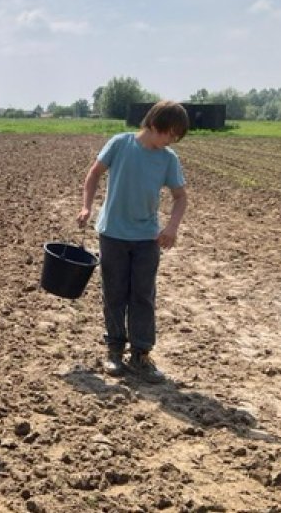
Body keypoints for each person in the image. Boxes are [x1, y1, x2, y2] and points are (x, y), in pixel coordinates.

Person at [76, 100, 189, 384]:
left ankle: (140, 354)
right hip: (112, 234)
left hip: (147, 239)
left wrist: (172, 227)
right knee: (114, 292)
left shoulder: (168, 159)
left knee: (142, 295)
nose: (171, 141)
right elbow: (93, 175)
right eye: (170, 134)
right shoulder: (120, 144)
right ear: (154, 124)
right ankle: (114, 350)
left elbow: (180, 197)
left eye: (176, 137)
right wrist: (86, 207)